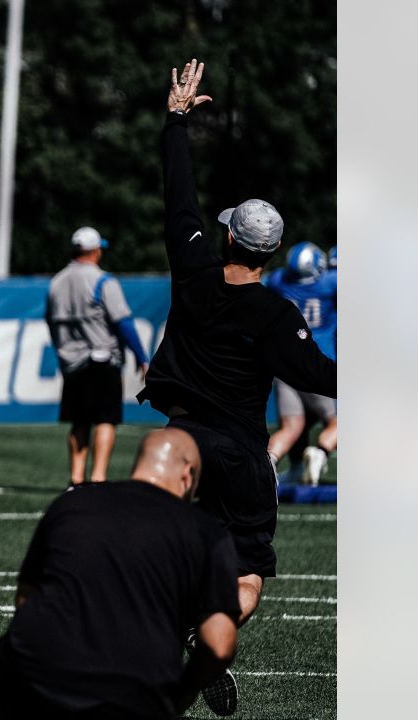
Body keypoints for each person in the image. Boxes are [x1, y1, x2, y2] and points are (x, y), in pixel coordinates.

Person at [135, 59, 336, 716]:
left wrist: (176, 119)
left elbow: (178, 194)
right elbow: (322, 377)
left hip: (186, 439)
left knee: (159, 555)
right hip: (246, 455)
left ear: (225, 236)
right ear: (270, 253)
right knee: (246, 580)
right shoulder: (277, 315)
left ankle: (162, 638)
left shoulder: (194, 270)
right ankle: (202, 651)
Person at [0, 428, 240, 720]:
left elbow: (25, 600)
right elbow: (219, 644)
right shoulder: (206, 532)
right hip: (134, 692)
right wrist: (181, 696)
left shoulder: (72, 503)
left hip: (37, 673)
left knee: (1, 675)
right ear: (187, 476)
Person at [45, 226, 151, 485]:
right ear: (94, 251)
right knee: (106, 419)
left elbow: (49, 321)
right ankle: (98, 477)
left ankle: (76, 478)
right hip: (102, 359)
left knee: (79, 421)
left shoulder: (56, 282)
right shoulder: (103, 280)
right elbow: (123, 322)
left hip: (72, 361)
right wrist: (142, 357)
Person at [263, 242, 338, 485]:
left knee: (292, 426)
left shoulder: (277, 282)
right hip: (318, 364)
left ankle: (265, 466)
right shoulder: (329, 284)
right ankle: (320, 452)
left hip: (284, 366)